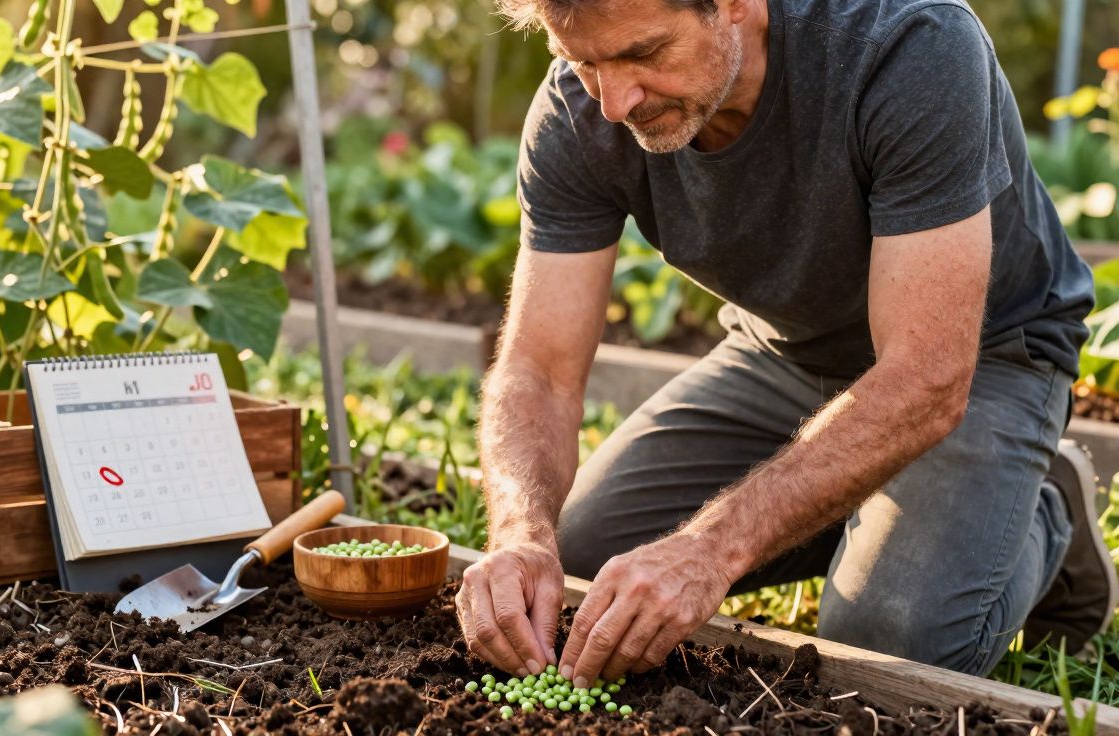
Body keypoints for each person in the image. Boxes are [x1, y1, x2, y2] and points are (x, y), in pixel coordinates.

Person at [454, 0, 1118, 686]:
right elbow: (538, 368)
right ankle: (862, 507)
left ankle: (1046, 513)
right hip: (785, 354)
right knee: (579, 564)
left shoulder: (911, 45)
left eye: (644, 53)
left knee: (887, 641)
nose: (615, 102)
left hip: (985, 358)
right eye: (585, 63)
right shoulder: (576, 112)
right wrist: (520, 534)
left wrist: (712, 548)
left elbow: (927, 376)